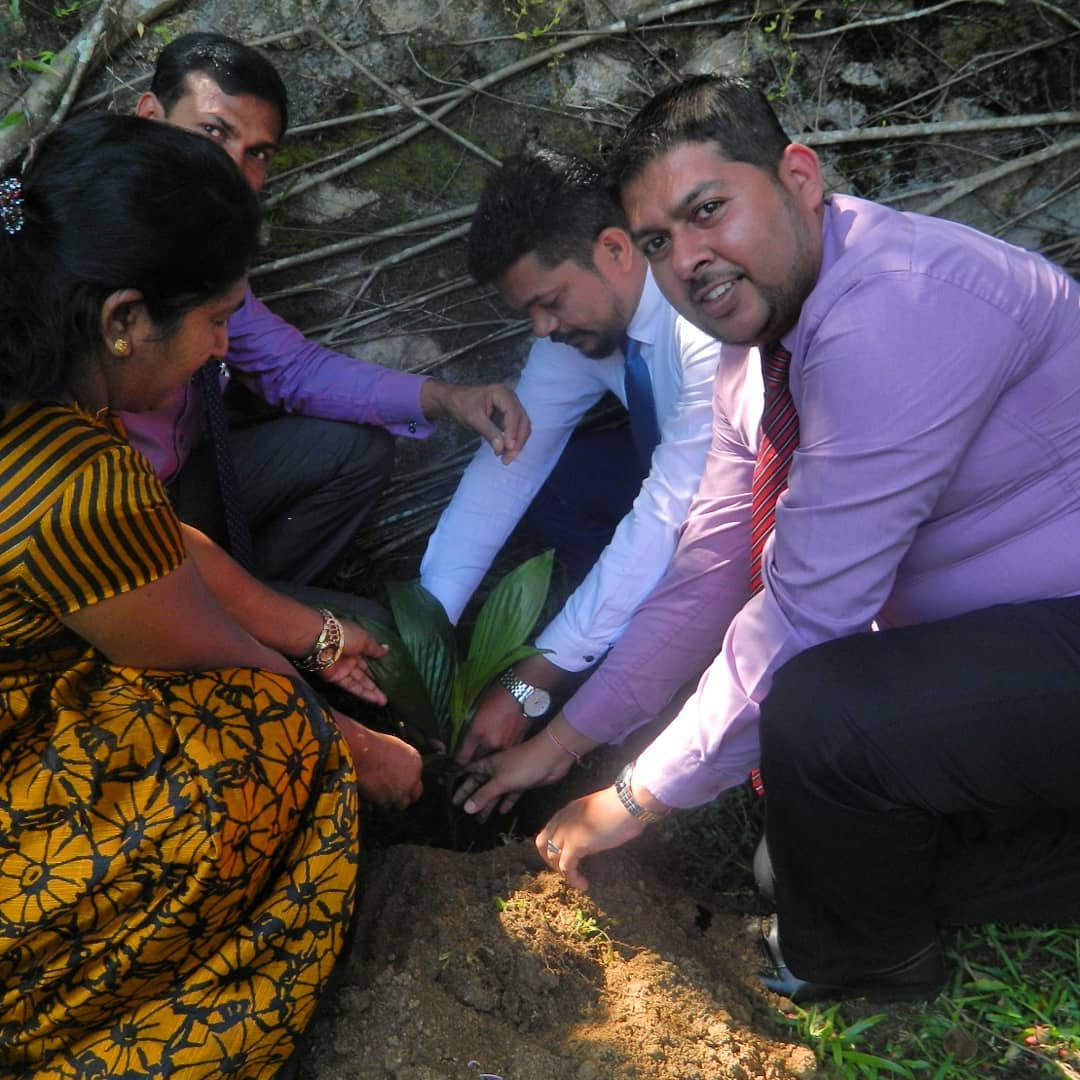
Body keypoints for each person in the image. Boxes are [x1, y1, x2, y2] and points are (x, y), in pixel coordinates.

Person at [462, 74, 1080, 1002]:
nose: (692, 260)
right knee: (801, 859)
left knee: (822, 721)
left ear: (797, 176)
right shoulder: (757, 352)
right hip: (999, 646)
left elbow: (806, 612)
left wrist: (633, 797)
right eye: (664, 241)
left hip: (1058, 626)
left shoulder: (895, 311)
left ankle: (868, 970)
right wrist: (562, 745)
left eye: (710, 209)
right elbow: (711, 564)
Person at [0, 112, 422, 1076]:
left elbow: (160, 544)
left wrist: (317, 633)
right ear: (123, 319)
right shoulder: (74, 483)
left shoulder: (35, 400)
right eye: (215, 321)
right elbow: (215, 654)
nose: (223, 350)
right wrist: (366, 751)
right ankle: (88, 1011)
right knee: (270, 730)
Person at [127, 31, 530, 586]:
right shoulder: (89, 238)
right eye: (212, 132)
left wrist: (444, 398)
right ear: (150, 118)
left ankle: (255, 616)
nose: (230, 171)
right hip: (91, 516)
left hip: (174, 488)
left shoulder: (208, 252)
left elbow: (288, 367)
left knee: (352, 450)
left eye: (257, 154)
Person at [418, 148, 723, 763]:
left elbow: (664, 520)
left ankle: (655, 659)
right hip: (664, 467)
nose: (540, 327)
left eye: (550, 302)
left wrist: (533, 681)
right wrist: (424, 629)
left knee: (662, 552)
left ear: (615, 249)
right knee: (554, 482)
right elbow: (511, 464)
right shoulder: (578, 331)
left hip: (741, 509)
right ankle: (606, 615)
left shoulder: (702, 330)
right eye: (527, 310)